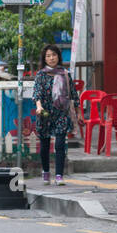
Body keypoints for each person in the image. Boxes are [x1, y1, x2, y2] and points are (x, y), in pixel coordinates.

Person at [32, 44, 80, 186]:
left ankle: (59, 175)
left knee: (60, 144)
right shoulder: (41, 74)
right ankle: (46, 172)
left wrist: (77, 114)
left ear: (58, 56)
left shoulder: (65, 74)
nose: (51, 58)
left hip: (61, 113)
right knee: (45, 145)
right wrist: (39, 107)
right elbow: (37, 93)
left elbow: (73, 94)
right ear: (44, 58)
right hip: (45, 113)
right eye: (48, 56)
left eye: (53, 55)